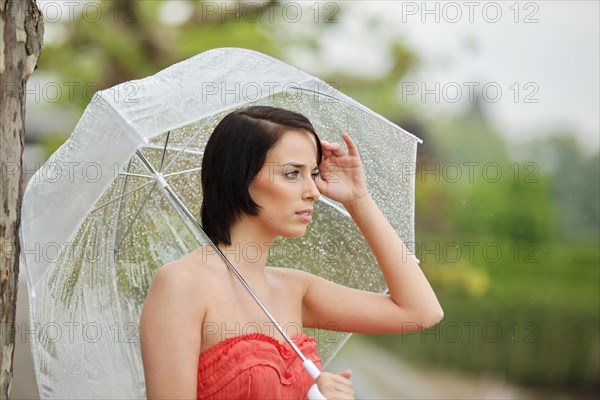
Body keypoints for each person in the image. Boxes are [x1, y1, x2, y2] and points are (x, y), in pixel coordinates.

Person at [139, 106, 443, 399]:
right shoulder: (182, 284)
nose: (313, 191)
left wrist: (358, 198)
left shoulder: (295, 289)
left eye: (312, 172)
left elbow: (419, 312)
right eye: (291, 174)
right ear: (240, 178)